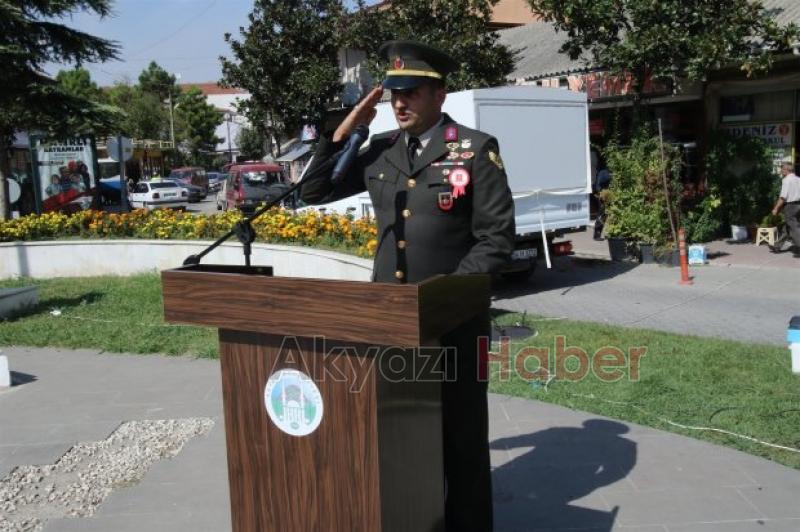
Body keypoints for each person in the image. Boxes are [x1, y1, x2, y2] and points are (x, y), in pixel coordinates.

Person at [300, 40, 515, 532]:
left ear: (440, 94)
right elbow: (314, 190)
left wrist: (444, 300)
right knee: (399, 435)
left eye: (411, 92)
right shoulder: (380, 153)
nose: (400, 103)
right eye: (393, 93)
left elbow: (496, 238)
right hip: (390, 322)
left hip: (453, 323)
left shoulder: (475, 150)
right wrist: (346, 129)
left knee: (460, 439)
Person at [770, 162, 800, 256]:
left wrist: (776, 208)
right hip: (798, 205)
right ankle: (777, 246)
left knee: (794, 227)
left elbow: (783, 197)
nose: (781, 171)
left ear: (787, 170)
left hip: (790, 206)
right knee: (787, 227)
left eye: (782, 169)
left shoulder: (786, 180)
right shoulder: (798, 179)